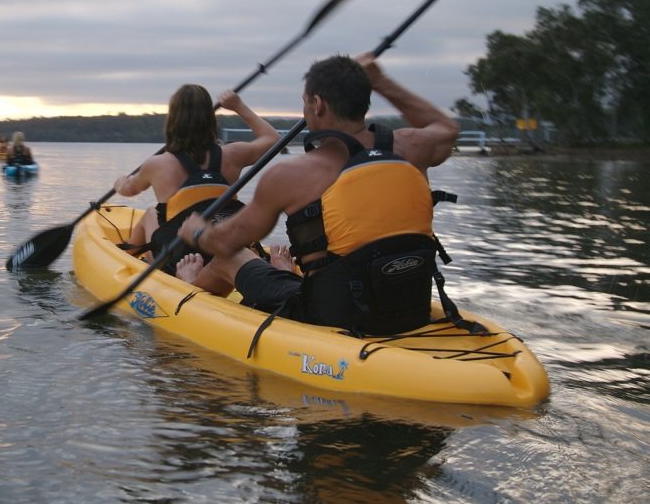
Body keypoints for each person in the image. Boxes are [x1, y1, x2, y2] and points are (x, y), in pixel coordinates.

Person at [177, 52, 460, 335]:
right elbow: (447, 129)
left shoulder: (291, 174)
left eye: (305, 102)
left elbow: (225, 243)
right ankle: (284, 275)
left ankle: (188, 292)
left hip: (333, 317)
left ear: (318, 104)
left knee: (231, 258)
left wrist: (198, 232)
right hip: (413, 310)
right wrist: (381, 81)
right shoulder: (412, 147)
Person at [112, 85, 279, 275]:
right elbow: (273, 139)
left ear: (173, 120)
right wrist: (238, 106)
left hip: (178, 260)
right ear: (210, 119)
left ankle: (126, 257)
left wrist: (120, 182)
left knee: (151, 213)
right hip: (224, 248)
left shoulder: (158, 164)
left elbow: (129, 189)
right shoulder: (233, 154)